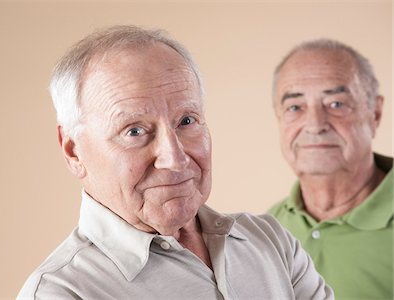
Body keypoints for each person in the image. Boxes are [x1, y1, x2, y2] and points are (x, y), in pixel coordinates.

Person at [18, 26, 333, 299]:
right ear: (73, 151)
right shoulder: (60, 293)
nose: (175, 158)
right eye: (134, 131)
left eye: (186, 120)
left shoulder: (271, 241)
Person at [269, 39, 392, 300]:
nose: (314, 124)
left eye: (336, 104)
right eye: (295, 107)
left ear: (376, 113)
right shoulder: (267, 231)